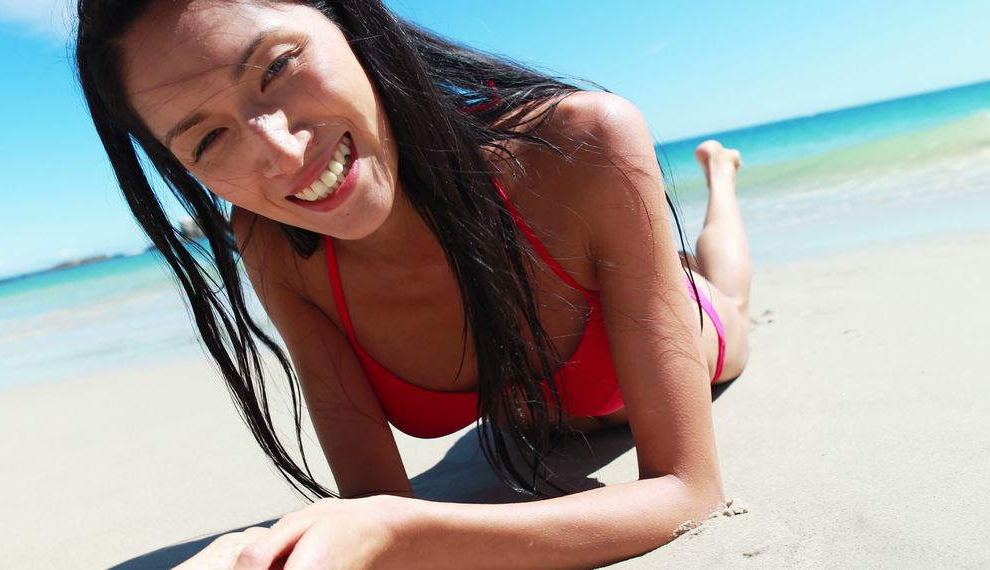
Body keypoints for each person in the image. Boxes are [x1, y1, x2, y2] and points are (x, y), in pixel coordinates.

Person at [75, 0, 751, 567]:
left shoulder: (581, 141)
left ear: (347, 21)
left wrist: (401, 531)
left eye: (278, 67)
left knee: (725, 292)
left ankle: (720, 181)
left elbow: (688, 492)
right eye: (208, 141)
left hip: (702, 337)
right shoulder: (277, 248)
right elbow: (374, 506)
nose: (280, 152)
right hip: (544, 415)